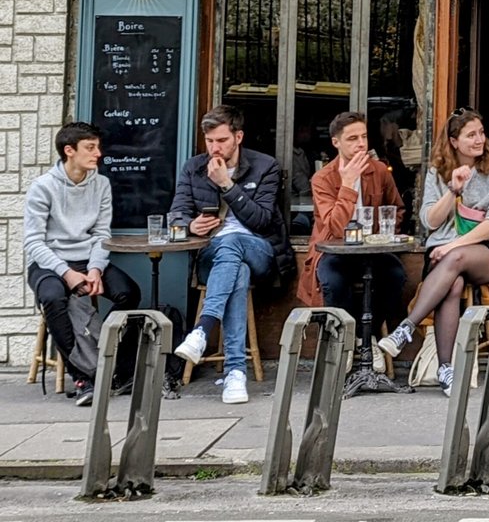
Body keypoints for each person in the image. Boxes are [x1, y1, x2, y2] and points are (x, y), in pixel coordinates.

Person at [377, 108, 489, 397]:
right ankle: (446, 369)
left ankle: (406, 327)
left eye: (481, 132)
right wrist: (452, 190)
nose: (479, 139)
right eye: (471, 135)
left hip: (484, 252)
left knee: (455, 259)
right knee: (452, 284)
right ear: (454, 141)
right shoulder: (437, 173)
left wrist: (451, 246)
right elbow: (429, 221)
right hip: (443, 255)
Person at [170, 105, 292, 405]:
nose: (215, 148)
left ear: (238, 137)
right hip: (214, 255)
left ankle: (203, 329)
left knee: (235, 242)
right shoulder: (193, 167)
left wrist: (226, 184)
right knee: (236, 269)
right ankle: (236, 372)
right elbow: (175, 215)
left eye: (222, 140)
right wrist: (190, 224)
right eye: (210, 141)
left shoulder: (265, 167)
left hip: (259, 249)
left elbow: (262, 220)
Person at [23, 122, 142, 407]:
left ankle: (116, 368)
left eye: (98, 147)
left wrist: (95, 270)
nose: (98, 154)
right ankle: (83, 377)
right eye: (90, 148)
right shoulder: (43, 187)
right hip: (50, 263)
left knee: (130, 293)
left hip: (88, 259)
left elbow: (102, 234)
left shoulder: (100, 184)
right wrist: (67, 274)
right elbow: (34, 243)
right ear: (69, 151)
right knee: (53, 298)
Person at [300, 111, 408, 327]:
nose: (361, 144)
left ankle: (369, 336)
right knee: (333, 281)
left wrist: (385, 236)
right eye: (352, 139)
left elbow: (397, 208)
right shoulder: (323, 178)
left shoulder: (379, 171)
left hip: (371, 249)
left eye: (364, 137)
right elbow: (336, 227)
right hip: (335, 251)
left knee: (396, 275)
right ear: (335, 142)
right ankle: (345, 339)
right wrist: (348, 184)